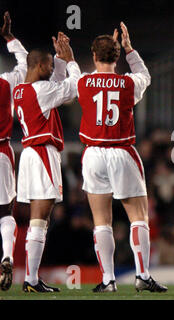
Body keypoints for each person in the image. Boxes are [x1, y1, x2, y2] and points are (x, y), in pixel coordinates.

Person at [77, 22, 167, 293]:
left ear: (93, 56)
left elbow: (78, 77)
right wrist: (128, 48)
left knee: (101, 221)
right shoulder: (128, 83)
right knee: (138, 217)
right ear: (117, 57)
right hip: (122, 152)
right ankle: (142, 275)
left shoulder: (83, 81)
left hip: (93, 154)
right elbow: (145, 74)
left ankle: (108, 280)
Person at [13, 33, 80, 293]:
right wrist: (70, 60)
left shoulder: (21, 90)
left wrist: (59, 61)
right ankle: (30, 280)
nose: (52, 70)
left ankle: (31, 277)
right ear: (40, 66)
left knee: (36, 219)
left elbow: (55, 85)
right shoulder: (42, 91)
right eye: (50, 65)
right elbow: (73, 88)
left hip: (30, 154)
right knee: (41, 218)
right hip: (42, 154)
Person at [0, 11, 28, 292]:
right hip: (1, 152)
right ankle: (6, 255)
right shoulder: (6, 82)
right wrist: (10, 38)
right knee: (5, 212)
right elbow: (25, 61)